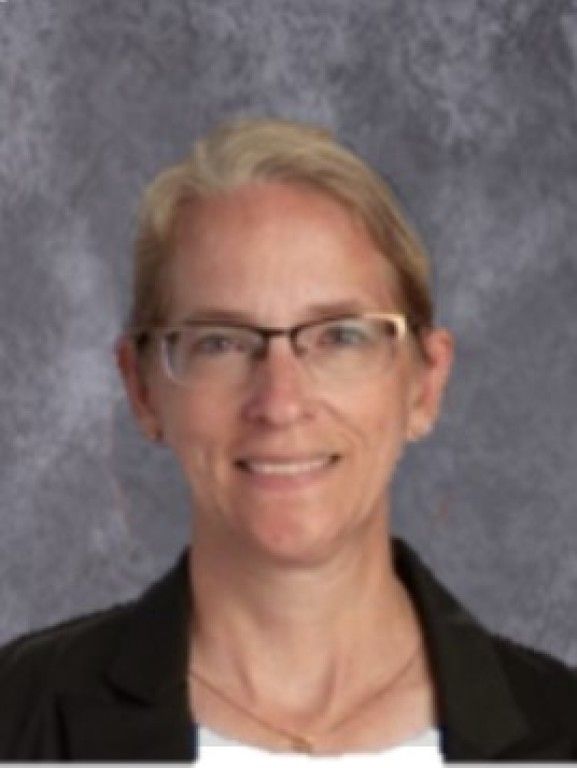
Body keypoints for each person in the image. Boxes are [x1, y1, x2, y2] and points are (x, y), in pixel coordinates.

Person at [1, 118, 576, 763]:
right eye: (221, 342)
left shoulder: (562, 728)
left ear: (424, 383)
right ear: (142, 389)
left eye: (340, 337)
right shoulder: (19, 717)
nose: (280, 403)